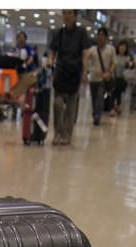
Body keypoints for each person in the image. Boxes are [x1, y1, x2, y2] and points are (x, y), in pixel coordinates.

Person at [47, 9, 90, 145]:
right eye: (65, 13)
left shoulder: (81, 33)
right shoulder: (59, 33)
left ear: (75, 15)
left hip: (75, 72)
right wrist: (50, 60)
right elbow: (53, 51)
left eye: (70, 13)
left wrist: (85, 72)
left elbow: (85, 54)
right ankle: (57, 132)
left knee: (71, 106)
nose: (67, 16)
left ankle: (67, 135)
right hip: (61, 71)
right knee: (57, 104)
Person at [87, 27, 116, 126]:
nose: (100, 37)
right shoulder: (92, 49)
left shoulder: (111, 49)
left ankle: (97, 117)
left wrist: (109, 72)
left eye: (102, 35)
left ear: (106, 37)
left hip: (103, 79)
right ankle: (95, 113)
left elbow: (113, 63)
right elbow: (86, 58)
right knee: (94, 98)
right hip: (93, 78)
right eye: (99, 35)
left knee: (100, 98)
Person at [113, 39, 133, 114]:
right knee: (113, 92)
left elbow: (130, 68)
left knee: (119, 93)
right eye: (121, 46)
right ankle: (112, 107)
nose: (122, 48)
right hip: (114, 77)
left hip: (122, 78)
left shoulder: (126, 58)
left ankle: (118, 106)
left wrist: (128, 64)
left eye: (124, 47)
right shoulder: (115, 56)